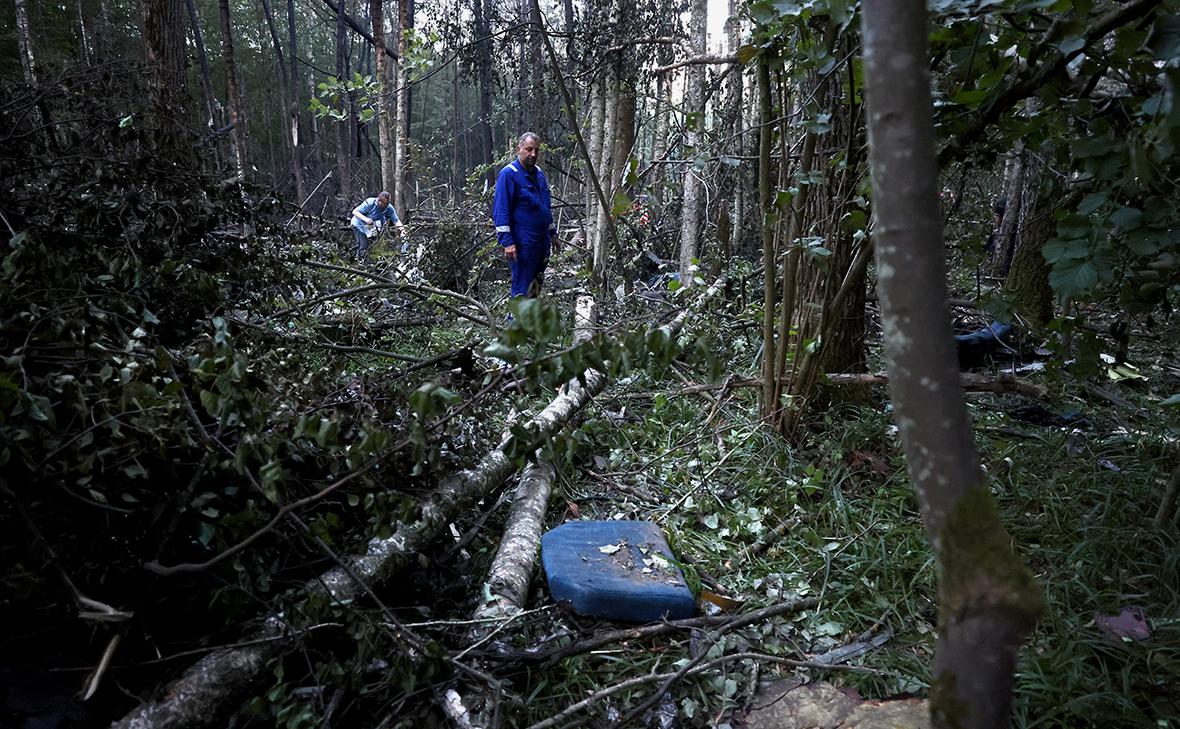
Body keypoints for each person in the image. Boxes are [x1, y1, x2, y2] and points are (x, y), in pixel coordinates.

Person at [493, 132, 557, 298]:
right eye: (529, 149)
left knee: (535, 290)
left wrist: (553, 234)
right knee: (522, 290)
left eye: (536, 150)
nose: (533, 154)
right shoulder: (509, 174)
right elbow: (501, 211)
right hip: (524, 245)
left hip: (542, 243)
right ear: (518, 149)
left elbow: (545, 207)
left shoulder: (539, 174)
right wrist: (507, 242)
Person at [350, 191, 406, 260]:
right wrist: (366, 219)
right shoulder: (370, 203)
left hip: (370, 228)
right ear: (378, 201)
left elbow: (396, 220)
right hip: (358, 225)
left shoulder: (389, 208)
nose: (385, 206)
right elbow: (355, 211)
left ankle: (355, 257)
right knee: (364, 244)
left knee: (369, 245)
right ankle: (363, 263)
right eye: (383, 204)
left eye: (387, 204)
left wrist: (402, 229)